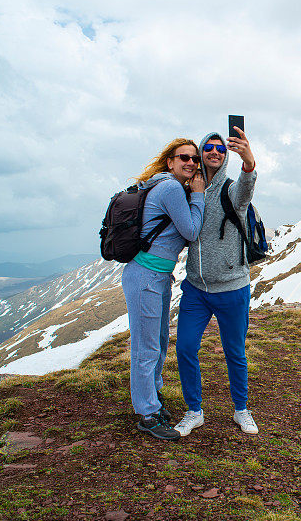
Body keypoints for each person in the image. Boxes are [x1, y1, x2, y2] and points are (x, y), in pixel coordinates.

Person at [174, 126, 259, 436]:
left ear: (225, 156)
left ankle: (241, 409)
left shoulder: (231, 190)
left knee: (234, 351)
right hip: (196, 289)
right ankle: (194, 412)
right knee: (184, 348)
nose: (214, 152)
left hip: (232, 288)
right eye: (208, 148)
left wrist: (248, 161)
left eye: (220, 149)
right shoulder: (189, 190)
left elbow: (246, 189)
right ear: (200, 152)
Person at [122, 138, 205, 440]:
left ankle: (153, 401)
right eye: (184, 157)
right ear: (170, 161)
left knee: (157, 339)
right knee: (147, 347)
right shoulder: (171, 189)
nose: (191, 164)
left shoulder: (169, 187)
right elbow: (192, 230)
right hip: (145, 276)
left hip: (155, 276)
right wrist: (198, 195)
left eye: (195, 159)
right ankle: (146, 413)